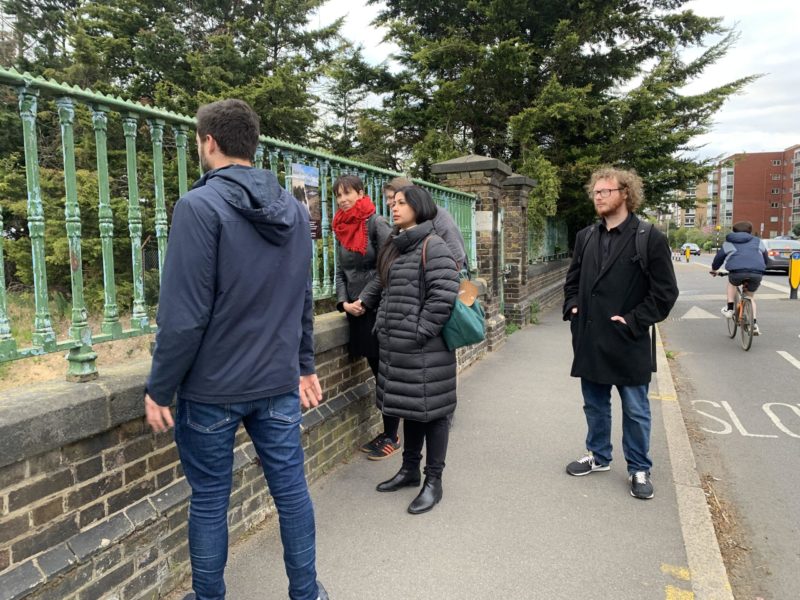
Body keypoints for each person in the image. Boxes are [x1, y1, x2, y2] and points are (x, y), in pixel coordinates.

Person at [143, 99, 328, 600]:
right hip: (276, 382)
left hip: (212, 389)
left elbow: (183, 316)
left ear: (209, 142)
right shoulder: (293, 208)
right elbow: (302, 297)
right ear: (254, 144)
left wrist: (159, 388)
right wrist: (304, 364)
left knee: (208, 501)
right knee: (291, 494)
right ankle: (308, 593)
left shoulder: (198, 206)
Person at [562, 167, 678, 500]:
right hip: (590, 337)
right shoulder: (586, 236)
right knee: (594, 406)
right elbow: (572, 281)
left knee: (636, 410)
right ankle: (598, 455)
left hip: (628, 340)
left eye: (605, 191)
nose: (598, 197)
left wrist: (633, 321)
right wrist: (573, 306)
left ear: (625, 193)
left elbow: (665, 292)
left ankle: (639, 467)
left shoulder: (648, 236)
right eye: (595, 192)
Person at [374, 185, 460, 514]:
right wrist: (382, 325)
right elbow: (388, 290)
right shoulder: (398, 246)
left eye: (401, 203)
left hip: (426, 349)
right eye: (393, 203)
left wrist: (419, 331)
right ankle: (409, 470)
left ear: (419, 207)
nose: (394, 208)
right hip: (399, 347)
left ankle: (433, 481)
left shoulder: (432, 245)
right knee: (410, 409)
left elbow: (444, 294)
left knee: (434, 413)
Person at [331, 174, 397, 460]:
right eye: (338, 195)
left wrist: (364, 299)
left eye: (348, 193)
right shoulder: (340, 226)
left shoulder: (376, 222)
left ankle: (391, 436)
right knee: (375, 369)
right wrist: (343, 302)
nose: (343, 200)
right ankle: (389, 430)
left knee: (386, 372)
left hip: (378, 307)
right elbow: (340, 271)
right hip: (356, 310)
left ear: (360, 193)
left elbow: (387, 265)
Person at [384, 177, 468, 270]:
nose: (387, 202)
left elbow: (456, 252)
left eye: (391, 197)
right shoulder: (402, 221)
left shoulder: (437, 215)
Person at [709, 221, 768, 335]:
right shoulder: (758, 241)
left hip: (737, 273)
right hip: (756, 273)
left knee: (732, 283)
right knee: (750, 297)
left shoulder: (728, 243)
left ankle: (730, 309)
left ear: (734, 231)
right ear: (750, 231)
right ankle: (754, 324)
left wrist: (714, 269)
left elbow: (719, 258)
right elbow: (766, 257)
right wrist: (763, 268)